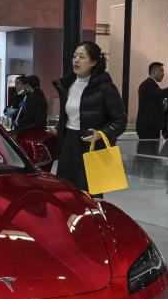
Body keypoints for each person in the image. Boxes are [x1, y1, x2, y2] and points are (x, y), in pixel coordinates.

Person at [51, 41, 127, 192]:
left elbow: (120, 120)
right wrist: (58, 130)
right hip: (68, 144)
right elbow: (70, 117)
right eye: (74, 56)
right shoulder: (67, 85)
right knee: (67, 191)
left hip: (92, 145)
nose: (76, 60)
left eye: (81, 57)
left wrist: (101, 133)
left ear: (93, 62)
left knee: (90, 194)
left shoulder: (106, 88)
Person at [135, 62, 167, 177]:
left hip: (151, 127)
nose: (163, 74)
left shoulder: (152, 86)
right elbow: (160, 93)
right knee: (147, 154)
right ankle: (143, 177)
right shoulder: (148, 85)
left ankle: (146, 176)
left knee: (150, 153)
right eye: (161, 71)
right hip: (148, 127)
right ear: (154, 72)